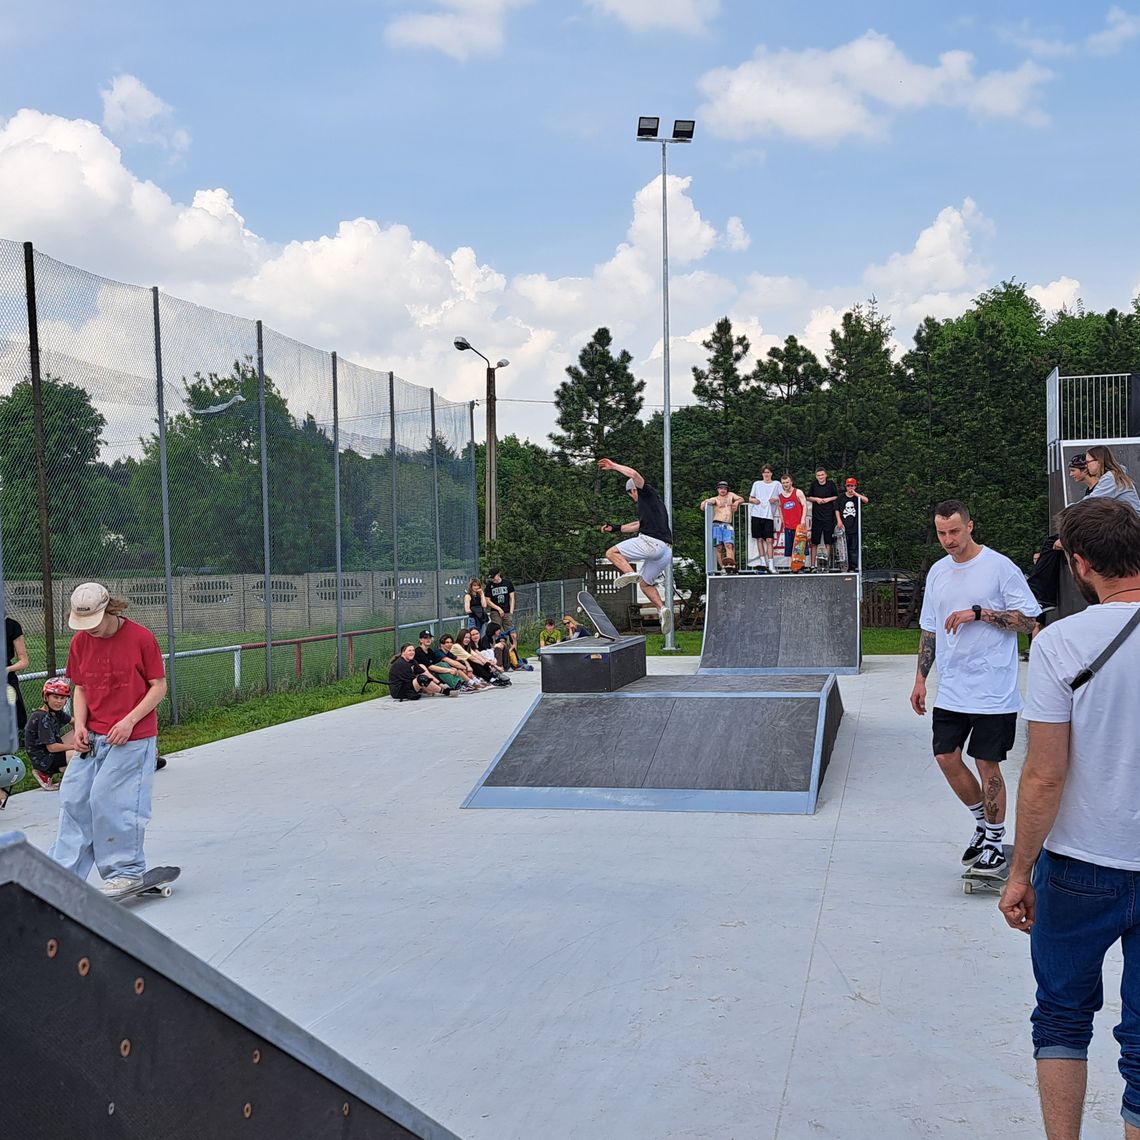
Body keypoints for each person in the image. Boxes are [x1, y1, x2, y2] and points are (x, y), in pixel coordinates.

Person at [998, 498, 1140, 1139]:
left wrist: (1019, 871)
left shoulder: (1060, 643)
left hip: (1081, 863)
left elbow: (1044, 774)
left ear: (1080, 564)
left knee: (1060, 1016)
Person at [909, 501, 1040, 877]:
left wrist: (980, 613)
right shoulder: (938, 572)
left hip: (993, 689)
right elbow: (930, 629)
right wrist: (920, 679)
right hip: (952, 688)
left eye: (954, 531)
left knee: (987, 763)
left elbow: (1028, 619)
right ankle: (984, 824)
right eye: (941, 533)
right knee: (946, 757)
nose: (948, 540)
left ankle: (995, 843)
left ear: (970, 526)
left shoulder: (999, 567)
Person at [49, 583, 168, 897]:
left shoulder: (141, 638)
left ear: (109, 610)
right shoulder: (80, 642)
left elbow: (158, 686)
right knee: (74, 797)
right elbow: (82, 688)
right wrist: (80, 726)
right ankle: (63, 872)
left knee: (110, 799)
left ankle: (126, 871)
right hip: (94, 735)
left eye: (96, 623)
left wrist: (129, 721)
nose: (92, 631)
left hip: (133, 737)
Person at [598, 458, 675, 635]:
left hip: (651, 543)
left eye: (631, 495)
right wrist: (615, 528)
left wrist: (613, 466)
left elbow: (633, 474)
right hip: (665, 551)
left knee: (612, 552)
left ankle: (628, 573)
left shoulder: (646, 492)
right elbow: (636, 525)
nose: (633, 498)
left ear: (633, 490)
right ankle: (662, 609)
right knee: (645, 584)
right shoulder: (654, 507)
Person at [26, 677, 80, 791]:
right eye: (55, 697)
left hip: (50, 751)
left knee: (81, 734)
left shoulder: (56, 713)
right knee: (79, 753)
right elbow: (52, 748)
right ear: (46, 697)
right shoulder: (41, 716)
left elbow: (75, 722)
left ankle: (63, 773)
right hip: (43, 758)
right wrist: (75, 746)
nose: (59, 701)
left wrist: (80, 736)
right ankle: (45, 773)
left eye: (62, 698)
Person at [699, 481, 747, 573]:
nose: (723, 490)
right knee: (719, 547)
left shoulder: (731, 495)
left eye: (725, 488)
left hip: (727, 524)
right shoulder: (715, 499)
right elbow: (702, 507)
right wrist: (706, 502)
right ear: (718, 489)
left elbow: (741, 499)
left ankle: (731, 565)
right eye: (721, 488)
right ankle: (723, 568)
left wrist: (736, 503)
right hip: (717, 524)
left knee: (729, 545)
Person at [1083, 444, 1140, 514]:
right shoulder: (1113, 475)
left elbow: (1091, 501)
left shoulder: (1111, 478)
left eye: (1088, 462)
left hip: (1131, 521)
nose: (1086, 465)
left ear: (1099, 461)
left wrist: (1070, 509)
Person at [747, 465, 782, 573]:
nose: (766, 474)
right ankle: (763, 563)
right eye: (764, 472)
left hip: (769, 516)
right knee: (759, 539)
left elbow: (783, 497)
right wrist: (754, 501)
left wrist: (776, 499)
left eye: (768, 472)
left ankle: (771, 564)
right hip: (756, 514)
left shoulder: (777, 484)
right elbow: (750, 498)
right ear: (762, 474)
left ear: (771, 473)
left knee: (769, 540)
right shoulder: (757, 484)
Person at [806, 467, 840, 571]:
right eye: (818, 475)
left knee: (828, 541)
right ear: (816, 476)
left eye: (822, 475)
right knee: (814, 541)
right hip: (816, 517)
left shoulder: (831, 484)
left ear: (826, 475)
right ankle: (812, 565)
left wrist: (827, 499)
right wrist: (816, 499)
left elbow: (836, 496)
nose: (820, 477)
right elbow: (808, 497)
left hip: (828, 516)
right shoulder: (814, 485)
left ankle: (826, 564)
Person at [838, 478, 870, 571]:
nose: (850, 488)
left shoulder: (857, 497)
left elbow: (866, 500)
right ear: (845, 486)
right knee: (844, 549)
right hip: (844, 527)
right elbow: (836, 509)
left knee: (854, 548)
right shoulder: (841, 497)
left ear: (855, 486)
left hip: (855, 527)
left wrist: (855, 494)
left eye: (852, 486)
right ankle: (844, 567)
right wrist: (839, 521)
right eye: (848, 486)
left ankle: (854, 566)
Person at [5, 613, 28, 732]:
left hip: (5, 676)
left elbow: (24, 661)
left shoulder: (12, 626)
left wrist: (6, 670)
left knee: (18, 716)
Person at [777, 474, 808, 565]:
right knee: (790, 548)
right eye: (783, 483)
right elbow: (780, 508)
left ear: (791, 482)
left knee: (801, 546)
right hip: (788, 526)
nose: (785, 484)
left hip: (799, 525)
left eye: (787, 482)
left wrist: (803, 520)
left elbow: (804, 505)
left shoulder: (798, 492)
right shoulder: (780, 496)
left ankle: (802, 565)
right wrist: (782, 520)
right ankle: (793, 566)